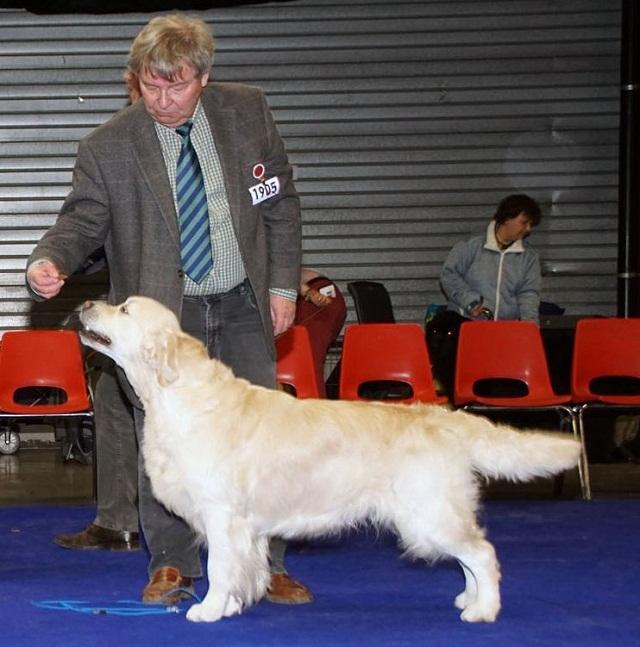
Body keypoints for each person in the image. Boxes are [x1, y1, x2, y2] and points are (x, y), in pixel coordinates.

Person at [26, 13, 311, 606]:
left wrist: (283, 287)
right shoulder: (108, 146)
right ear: (135, 80)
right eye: (150, 86)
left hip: (240, 305)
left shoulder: (248, 113)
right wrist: (50, 259)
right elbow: (81, 221)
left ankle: (266, 565)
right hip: (162, 321)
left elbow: (279, 204)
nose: (162, 99)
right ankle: (172, 565)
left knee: (260, 443)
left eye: (176, 86)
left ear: (203, 77)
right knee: (162, 442)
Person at [426, 193, 542, 397]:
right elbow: (449, 275)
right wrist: (470, 301)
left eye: (531, 224)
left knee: (500, 388)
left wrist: (530, 327)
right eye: (524, 222)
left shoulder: (529, 257)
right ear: (507, 218)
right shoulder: (470, 246)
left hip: (505, 333)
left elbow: (529, 293)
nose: (528, 229)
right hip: (468, 328)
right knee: (468, 384)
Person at [294, 268, 346, 396]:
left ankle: (314, 409)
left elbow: (284, 275)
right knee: (309, 364)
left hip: (315, 297)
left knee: (308, 365)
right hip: (325, 294)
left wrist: (310, 294)